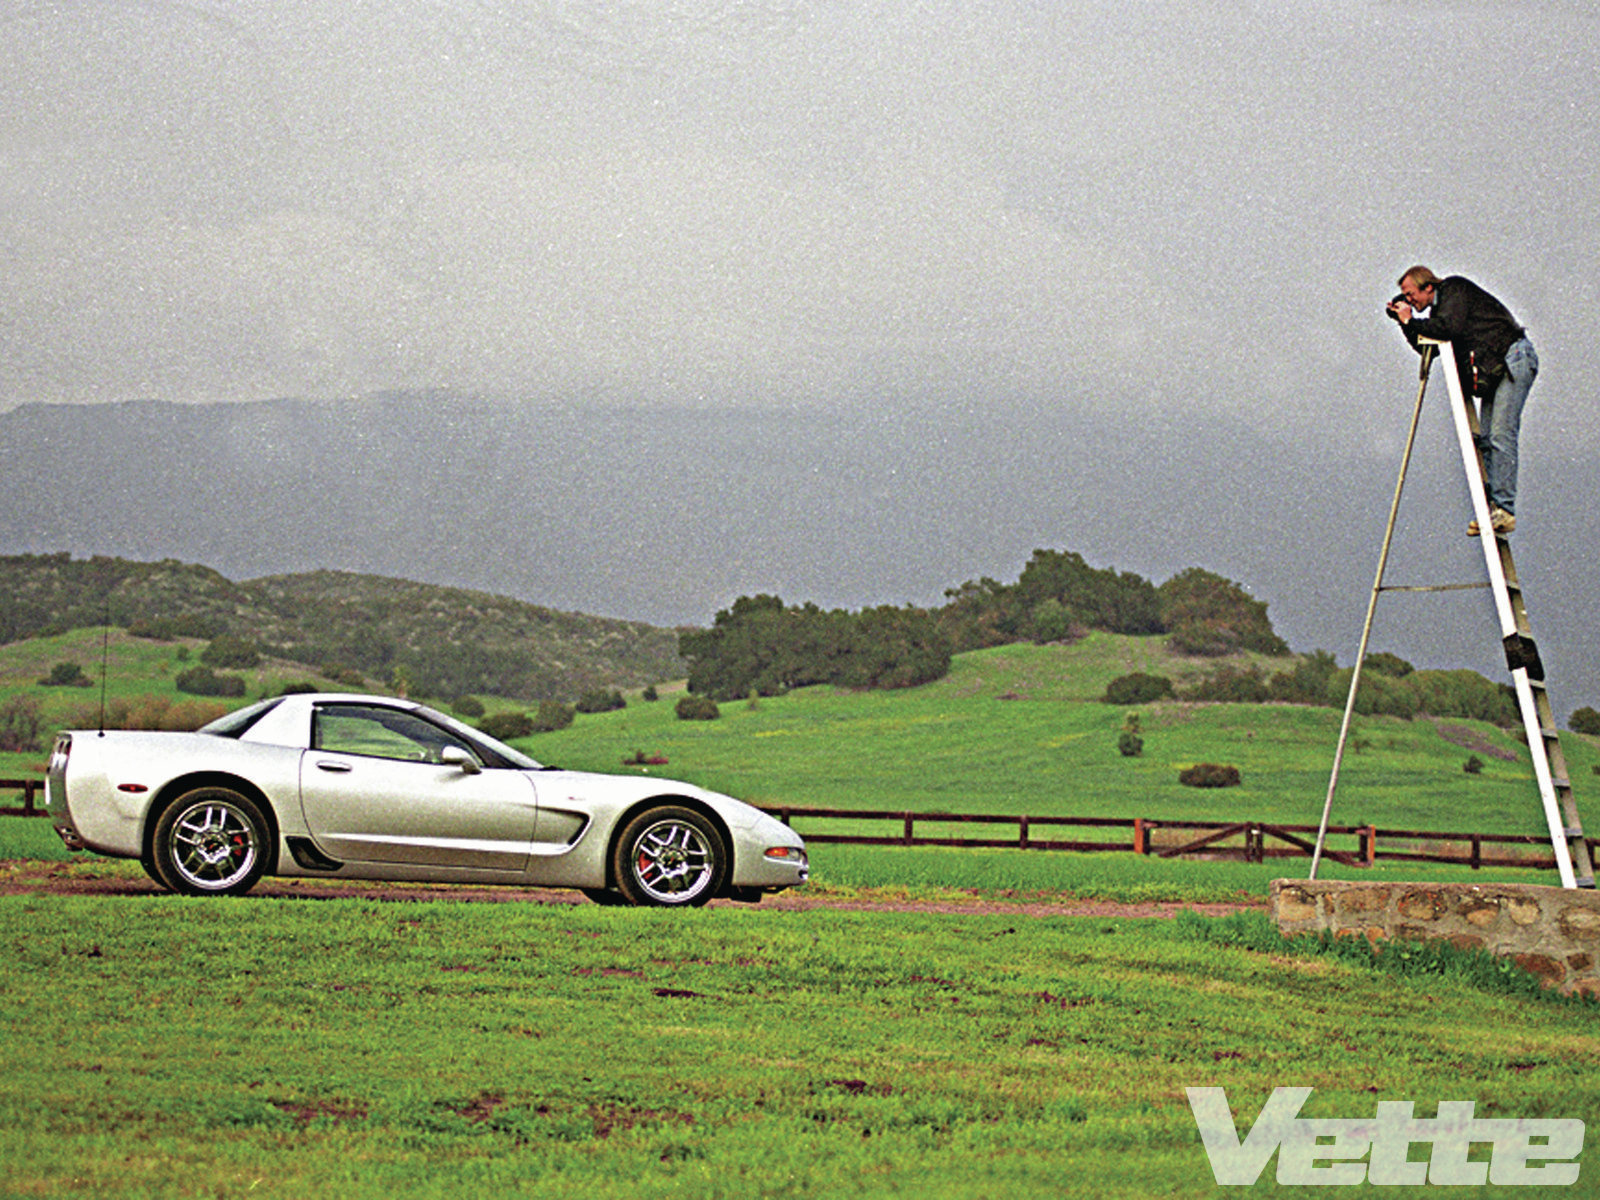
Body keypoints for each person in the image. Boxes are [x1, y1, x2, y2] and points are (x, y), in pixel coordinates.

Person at [1387, 266, 1537, 537]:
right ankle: (1496, 508)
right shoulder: (1439, 312)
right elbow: (1426, 346)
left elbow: (1447, 329)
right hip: (1495, 370)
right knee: (1489, 438)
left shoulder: (1454, 290)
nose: (1409, 301)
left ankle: (1503, 509)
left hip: (1511, 358)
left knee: (1501, 435)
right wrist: (1403, 321)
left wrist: (1410, 320)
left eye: (1410, 294)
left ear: (1428, 287)